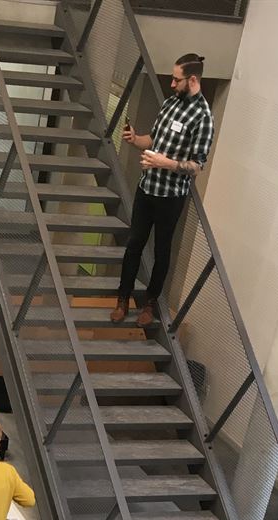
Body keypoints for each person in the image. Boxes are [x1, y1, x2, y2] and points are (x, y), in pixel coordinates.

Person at [110, 54, 214, 328]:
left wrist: (164, 162)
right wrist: (136, 139)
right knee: (134, 244)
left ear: (193, 80)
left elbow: (197, 166)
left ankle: (150, 303)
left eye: (177, 80)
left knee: (161, 250)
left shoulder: (203, 118)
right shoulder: (170, 104)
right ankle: (122, 298)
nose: (172, 84)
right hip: (147, 188)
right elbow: (153, 140)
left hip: (171, 196)